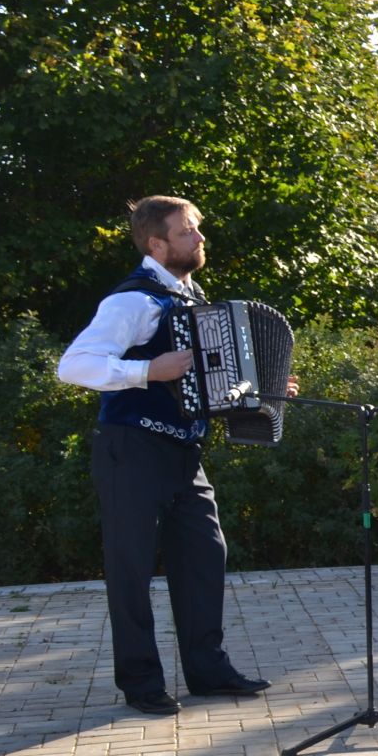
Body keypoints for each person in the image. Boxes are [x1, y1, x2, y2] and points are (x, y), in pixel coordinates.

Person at [57, 196, 282, 715]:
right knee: (131, 567)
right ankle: (141, 684)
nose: (200, 238)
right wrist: (146, 371)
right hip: (130, 448)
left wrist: (265, 391)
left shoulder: (192, 297)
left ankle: (207, 670)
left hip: (182, 450)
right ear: (157, 244)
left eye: (197, 228)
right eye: (188, 231)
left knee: (206, 555)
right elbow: (74, 366)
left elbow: (207, 384)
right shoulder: (131, 302)